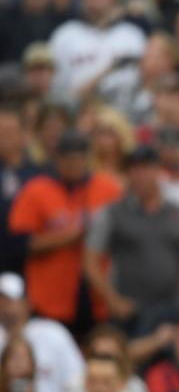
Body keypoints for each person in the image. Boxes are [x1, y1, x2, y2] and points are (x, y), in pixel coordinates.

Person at [8, 130, 123, 331]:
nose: (74, 165)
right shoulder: (37, 190)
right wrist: (70, 236)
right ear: (57, 159)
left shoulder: (108, 189)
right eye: (68, 159)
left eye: (79, 159)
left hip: (98, 300)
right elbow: (19, 243)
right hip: (49, 300)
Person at [84, 145, 179, 329]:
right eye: (134, 169)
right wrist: (113, 299)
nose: (140, 175)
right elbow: (89, 261)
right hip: (129, 309)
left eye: (146, 168)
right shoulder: (113, 212)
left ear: (158, 171)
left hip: (170, 308)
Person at [48, 0, 146, 107]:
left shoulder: (131, 34)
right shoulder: (66, 33)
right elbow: (55, 85)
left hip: (126, 110)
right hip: (76, 110)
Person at [0, 272, 84, 392]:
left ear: (27, 303)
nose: (5, 306)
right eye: (1, 300)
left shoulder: (52, 333)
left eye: (10, 300)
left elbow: (78, 382)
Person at [0, 107, 43, 278]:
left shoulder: (41, 174)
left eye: (9, 131)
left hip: (31, 260)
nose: (4, 137)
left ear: (24, 135)